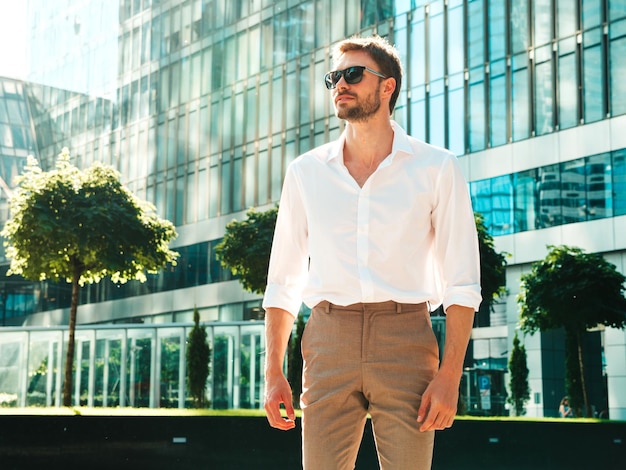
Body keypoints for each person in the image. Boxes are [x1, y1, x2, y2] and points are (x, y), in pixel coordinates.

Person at [262, 35, 482, 470]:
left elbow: (462, 281)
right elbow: (284, 280)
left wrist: (450, 375)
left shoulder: (436, 167)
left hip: (406, 339)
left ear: (387, 87)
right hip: (327, 338)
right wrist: (272, 371)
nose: (340, 84)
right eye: (334, 77)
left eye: (353, 74)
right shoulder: (306, 172)